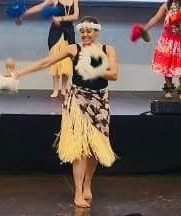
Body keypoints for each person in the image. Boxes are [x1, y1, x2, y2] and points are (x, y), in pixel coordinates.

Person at [14, 16, 117, 209]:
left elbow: (114, 74)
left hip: (100, 101)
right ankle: (77, 192)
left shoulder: (107, 50)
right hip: (77, 101)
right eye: (82, 31)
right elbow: (45, 62)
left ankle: (87, 184)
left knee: (95, 148)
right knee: (80, 149)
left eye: (89, 31)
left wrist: (93, 68)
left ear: (97, 31)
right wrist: (18, 74)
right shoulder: (73, 49)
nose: (85, 34)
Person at [17, 0, 80, 97]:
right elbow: (39, 7)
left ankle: (64, 89)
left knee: (67, 60)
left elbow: (75, 16)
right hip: (56, 32)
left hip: (69, 31)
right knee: (55, 59)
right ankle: (55, 89)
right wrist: (23, 14)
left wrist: (60, 18)